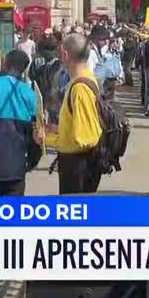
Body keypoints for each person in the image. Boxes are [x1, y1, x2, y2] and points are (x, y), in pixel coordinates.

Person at [44, 33, 103, 194]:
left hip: (78, 166)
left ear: (65, 55)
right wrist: (58, 129)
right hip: (79, 164)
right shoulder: (84, 79)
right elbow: (80, 124)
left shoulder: (79, 88)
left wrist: (48, 139)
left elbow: (83, 139)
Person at [0, 50, 38, 196]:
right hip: (16, 167)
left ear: (5, 64)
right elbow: (35, 132)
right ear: (24, 69)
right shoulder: (29, 94)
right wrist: (32, 160)